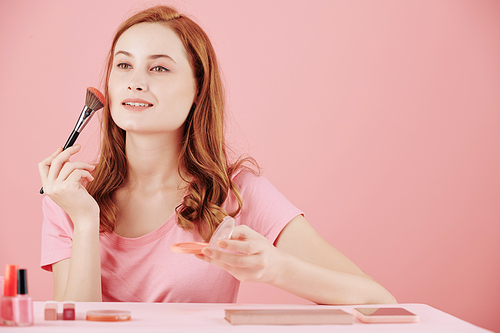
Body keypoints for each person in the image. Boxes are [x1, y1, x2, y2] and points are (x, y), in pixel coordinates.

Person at [38, 5, 396, 304]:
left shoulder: (235, 192)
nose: (135, 81)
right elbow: (76, 327)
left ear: (198, 88)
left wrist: (275, 267)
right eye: (124, 65)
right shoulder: (71, 197)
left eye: (159, 68)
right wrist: (85, 222)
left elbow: (378, 302)